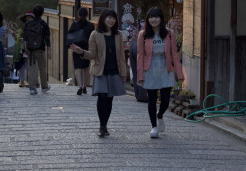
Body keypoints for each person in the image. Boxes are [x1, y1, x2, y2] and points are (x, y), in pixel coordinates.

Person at [70, 8, 127, 137]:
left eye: (113, 18)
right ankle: (102, 125)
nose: (111, 20)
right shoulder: (95, 34)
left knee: (109, 99)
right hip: (100, 71)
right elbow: (93, 54)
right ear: (103, 18)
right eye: (109, 17)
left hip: (114, 71)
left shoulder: (118, 35)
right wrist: (81, 52)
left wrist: (123, 74)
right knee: (102, 97)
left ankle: (105, 124)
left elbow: (122, 56)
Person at [137, 7, 184, 138]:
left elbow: (174, 54)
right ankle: (153, 127)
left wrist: (179, 73)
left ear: (161, 18)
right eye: (151, 17)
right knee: (151, 99)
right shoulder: (143, 34)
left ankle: (160, 115)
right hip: (150, 67)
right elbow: (140, 56)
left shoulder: (169, 33)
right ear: (148, 19)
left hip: (165, 66)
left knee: (165, 99)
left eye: (156, 16)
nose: (153, 19)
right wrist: (140, 75)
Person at [24, 4, 51, 95]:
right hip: (40, 49)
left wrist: (25, 48)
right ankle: (44, 86)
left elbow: (25, 37)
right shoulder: (43, 24)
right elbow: (47, 38)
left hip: (30, 49)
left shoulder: (28, 24)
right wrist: (49, 51)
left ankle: (32, 88)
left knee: (32, 68)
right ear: (42, 13)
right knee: (42, 68)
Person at [67, 7, 95, 95]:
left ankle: (79, 86)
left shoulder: (74, 24)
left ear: (78, 15)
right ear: (87, 15)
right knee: (86, 67)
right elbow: (92, 38)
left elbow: (69, 35)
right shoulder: (91, 25)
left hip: (76, 48)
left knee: (78, 68)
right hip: (86, 48)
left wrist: (70, 46)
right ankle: (84, 86)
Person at [15, 11, 35, 87]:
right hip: (22, 48)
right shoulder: (22, 28)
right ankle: (22, 81)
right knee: (22, 65)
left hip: (30, 48)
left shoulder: (32, 26)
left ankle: (33, 81)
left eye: (29, 17)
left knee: (28, 65)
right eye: (27, 18)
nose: (27, 19)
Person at [128, 37, 148, 102]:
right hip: (140, 45)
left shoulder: (138, 35)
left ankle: (137, 95)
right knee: (142, 72)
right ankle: (142, 96)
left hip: (133, 45)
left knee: (135, 72)